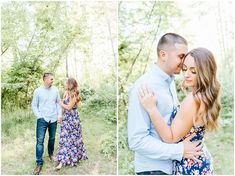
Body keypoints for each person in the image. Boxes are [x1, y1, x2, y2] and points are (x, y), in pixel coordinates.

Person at [128, 33, 203, 175]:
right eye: (181, 56)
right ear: (163, 55)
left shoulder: (170, 83)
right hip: (154, 169)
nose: (184, 62)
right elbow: (136, 141)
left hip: (173, 167)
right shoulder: (144, 87)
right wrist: (179, 150)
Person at [138, 47, 221, 175]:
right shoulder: (204, 97)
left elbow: (170, 138)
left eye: (194, 71)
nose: (187, 74)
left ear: (205, 73)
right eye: (185, 69)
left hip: (190, 166)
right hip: (198, 161)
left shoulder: (193, 100)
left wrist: (152, 109)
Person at [32, 73, 62, 175]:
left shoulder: (56, 90)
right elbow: (34, 105)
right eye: (51, 79)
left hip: (53, 118)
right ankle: (39, 163)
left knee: (52, 138)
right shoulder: (38, 91)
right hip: (42, 119)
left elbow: (58, 103)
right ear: (45, 79)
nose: (52, 81)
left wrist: (59, 115)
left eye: (53, 79)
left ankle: (50, 154)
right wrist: (39, 116)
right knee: (40, 141)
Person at [55, 78, 88, 170]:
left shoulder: (75, 95)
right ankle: (62, 160)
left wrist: (60, 102)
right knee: (64, 138)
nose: (65, 84)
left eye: (67, 83)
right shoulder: (66, 93)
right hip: (66, 119)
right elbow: (63, 108)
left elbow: (69, 107)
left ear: (71, 84)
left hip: (73, 120)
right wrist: (60, 116)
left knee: (73, 139)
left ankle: (73, 157)